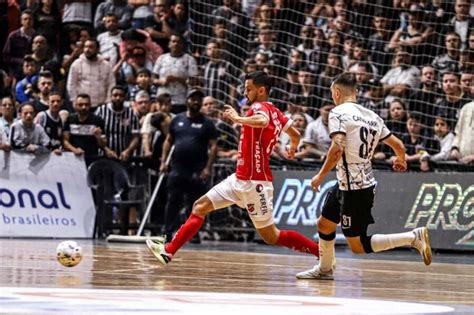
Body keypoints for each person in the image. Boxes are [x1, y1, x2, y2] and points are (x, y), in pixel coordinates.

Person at [146, 71, 320, 266]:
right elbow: (295, 134)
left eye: (249, 89)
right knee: (199, 207)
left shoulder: (258, 107)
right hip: (239, 178)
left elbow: (262, 121)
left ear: (261, 90)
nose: (245, 93)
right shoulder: (277, 112)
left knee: (271, 236)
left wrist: (238, 119)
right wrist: (292, 148)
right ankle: (168, 252)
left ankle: (321, 253)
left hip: (256, 183)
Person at [296, 73, 432, 280]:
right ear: (356, 92)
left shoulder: (338, 112)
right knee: (324, 223)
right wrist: (401, 160)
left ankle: (413, 237)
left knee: (357, 246)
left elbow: (337, 148)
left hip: (355, 190)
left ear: (336, 93)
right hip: (348, 184)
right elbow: (399, 146)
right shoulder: (372, 116)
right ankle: (324, 269)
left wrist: (320, 176)